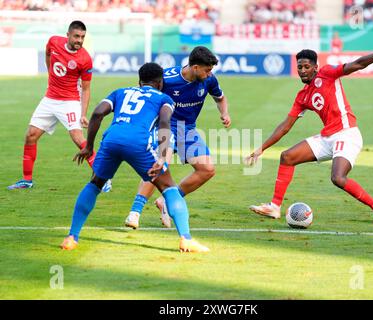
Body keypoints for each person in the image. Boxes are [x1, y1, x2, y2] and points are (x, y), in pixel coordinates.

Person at [246, 39, 373, 223]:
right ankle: (274, 207)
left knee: (338, 178)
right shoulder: (302, 96)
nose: (303, 70)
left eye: (306, 66)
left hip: (347, 133)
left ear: (315, 67)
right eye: (299, 67)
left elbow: (357, 64)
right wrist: (261, 148)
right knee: (287, 157)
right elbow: (285, 126)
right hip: (327, 136)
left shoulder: (327, 73)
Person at [61, 62, 209, 253]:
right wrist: (163, 156)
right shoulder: (164, 99)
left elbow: (98, 113)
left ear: (140, 81)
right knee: (168, 187)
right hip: (139, 143)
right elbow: (165, 123)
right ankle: (186, 239)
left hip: (111, 139)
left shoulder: (120, 92)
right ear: (160, 82)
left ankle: (72, 237)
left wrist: (89, 146)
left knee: (95, 183)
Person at [124, 46, 230, 229]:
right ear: (195, 67)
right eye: (207, 70)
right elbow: (144, 92)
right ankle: (135, 212)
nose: (209, 74)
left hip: (187, 129)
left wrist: (225, 113)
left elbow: (220, 98)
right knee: (157, 166)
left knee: (207, 169)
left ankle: (167, 200)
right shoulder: (167, 79)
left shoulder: (210, 80)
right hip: (165, 126)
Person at [7, 20, 111, 192]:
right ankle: (26, 180)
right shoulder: (54, 42)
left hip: (69, 101)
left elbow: (86, 89)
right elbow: (48, 54)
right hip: (49, 99)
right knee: (31, 135)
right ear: (68, 35)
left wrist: (83, 114)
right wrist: (50, 75)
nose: (79, 40)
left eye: (82, 37)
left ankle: (103, 178)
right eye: (76, 36)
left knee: (79, 139)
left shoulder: (85, 59)